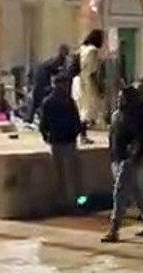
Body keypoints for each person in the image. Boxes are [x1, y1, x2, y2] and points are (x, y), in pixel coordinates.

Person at [101, 93, 143, 242]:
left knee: (120, 193)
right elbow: (112, 137)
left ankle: (114, 229)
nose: (119, 100)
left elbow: (142, 138)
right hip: (118, 158)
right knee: (135, 192)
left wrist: (135, 154)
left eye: (123, 98)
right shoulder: (116, 115)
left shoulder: (134, 117)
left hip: (128, 160)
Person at [38, 75, 83, 212]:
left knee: (59, 175)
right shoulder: (68, 101)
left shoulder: (48, 102)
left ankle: (62, 202)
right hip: (68, 141)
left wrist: (46, 136)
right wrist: (75, 134)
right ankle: (74, 202)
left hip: (57, 141)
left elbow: (43, 124)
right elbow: (76, 121)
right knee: (72, 175)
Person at [72, 30, 106, 144]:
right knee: (88, 110)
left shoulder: (82, 49)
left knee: (82, 108)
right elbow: (93, 71)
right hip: (89, 82)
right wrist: (99, 86)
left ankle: (81, 134)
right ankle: (83, 135)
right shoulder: (93, 51)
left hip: (80, 79)